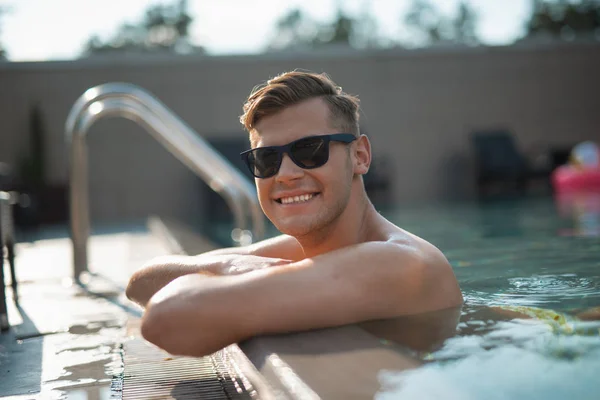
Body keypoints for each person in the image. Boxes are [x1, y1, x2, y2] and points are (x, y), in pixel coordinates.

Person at [126, 71, 463, 357]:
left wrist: (226, 269)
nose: (285, 173)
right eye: (266, 160)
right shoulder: (310, 249)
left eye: (310, 150)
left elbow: (166, 318)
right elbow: (140, 283)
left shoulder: (400, 262)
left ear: (359, 156)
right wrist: (233, 264)